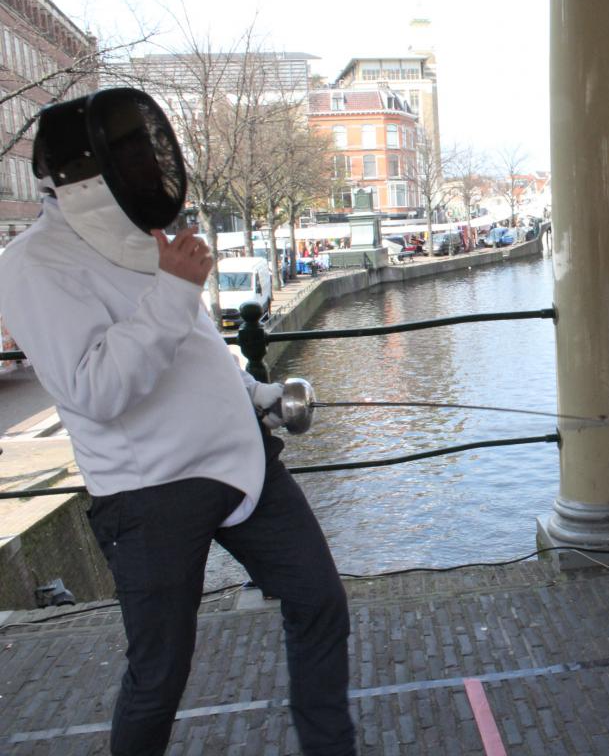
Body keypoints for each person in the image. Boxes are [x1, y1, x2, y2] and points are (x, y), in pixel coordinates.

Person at [0, 89, 356, 756]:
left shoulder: (140, 236)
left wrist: (259, 394)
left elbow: (196, 350)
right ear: (87, 174)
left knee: (320, 601)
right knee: (160, 674)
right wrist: (174, 288)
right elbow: (94, 388)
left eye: (147, 152)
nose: (148, 166)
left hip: (243, 463)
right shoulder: (31, 265)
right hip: (151, 495)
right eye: (131, 155)